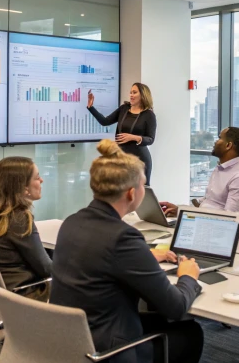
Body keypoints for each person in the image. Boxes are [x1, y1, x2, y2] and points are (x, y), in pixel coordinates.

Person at [50, 140, 204, 363]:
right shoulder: (123, 237)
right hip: (105, 350)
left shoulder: (72, 222)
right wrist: (188, 276)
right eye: (143, 184)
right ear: (132, 194)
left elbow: (101, 258)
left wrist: (143, 257)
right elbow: (176, 307)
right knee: (190, 333)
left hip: (70, 337)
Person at [0, 156, 52, 300]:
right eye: (37, 177)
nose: (41, 181)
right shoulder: (19, 219)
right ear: (24, 187)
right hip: (20, 296)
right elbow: (47, 269)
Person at [161, 127, 239, 217]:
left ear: (228, 145)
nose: (215, 142)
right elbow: (208, 202)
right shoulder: (221, 169)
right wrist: (179, 210)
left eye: (219, 138)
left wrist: (185, 214)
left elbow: (229, 219)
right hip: (203, 222)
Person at [88, 83, 157, 185]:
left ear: (143, 95)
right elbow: (105, 121)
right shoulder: (124, 109)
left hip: (140, 160)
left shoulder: (149, 115)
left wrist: (133, 137)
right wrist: (91, 107)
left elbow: (150, 139)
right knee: (121, 191)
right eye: (130, 92)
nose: (131, 95)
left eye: (134, 92)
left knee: (141, 193)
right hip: (121, 158)